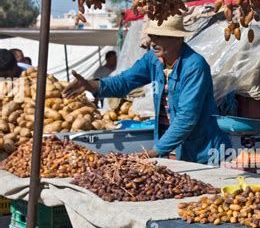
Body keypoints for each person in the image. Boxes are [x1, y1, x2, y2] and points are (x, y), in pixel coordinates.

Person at [65, 15, 230, 164]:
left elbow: (186, 118)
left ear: (177, 39)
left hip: (203, 152)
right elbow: (124, 81)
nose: (153, 41)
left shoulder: (194, 66)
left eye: (159, 36)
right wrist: (92, 85)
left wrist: (153, 152)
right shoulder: (153, 59)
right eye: (152, 36)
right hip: (170, 147)